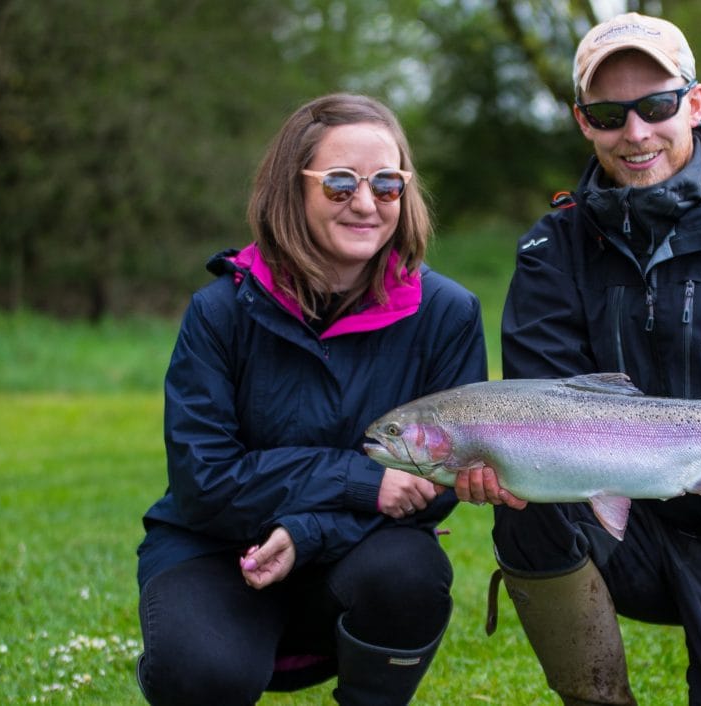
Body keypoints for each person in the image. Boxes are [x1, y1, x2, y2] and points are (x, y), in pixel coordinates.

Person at [456, 13, 701, 706]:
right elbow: (541, 399)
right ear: (584, 122)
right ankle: (598, 696)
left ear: (694, 104)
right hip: (613, 525)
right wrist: (504, 463)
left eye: (656, 106)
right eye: (609, 115)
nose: (635, 134)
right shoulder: (551, 251)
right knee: (526, 497)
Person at [134, 93, 487, 706]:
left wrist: (309, 530)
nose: (365, 203)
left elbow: (433, 488)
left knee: (409, 573)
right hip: (220, 552)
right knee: (202, 672)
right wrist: (359, 479)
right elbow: (206, 481)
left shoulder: (447, 313)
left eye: (386, 183)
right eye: (339, 183)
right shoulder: (219, 312)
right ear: (290, 188)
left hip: (356, 554)